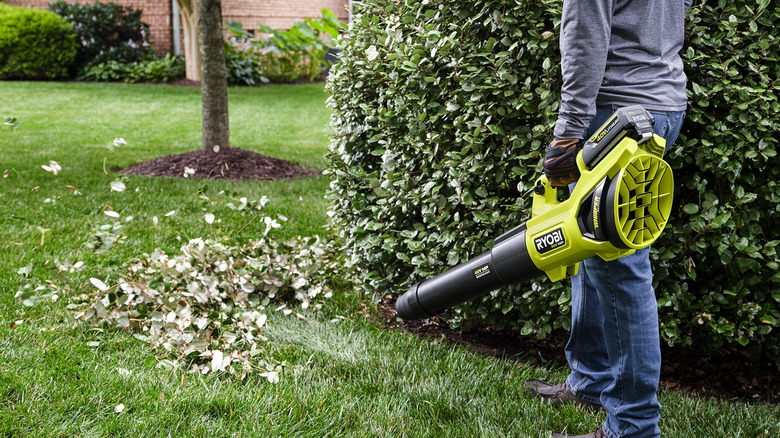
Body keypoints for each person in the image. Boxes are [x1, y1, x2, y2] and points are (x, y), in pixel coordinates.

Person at [525, 0, 692, 437]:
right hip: (662, 104)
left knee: (620, 269)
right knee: (587, 245)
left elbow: (585, 37)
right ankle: (591, 381)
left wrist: (569, 129)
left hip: (617, 113)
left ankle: (633, 426)